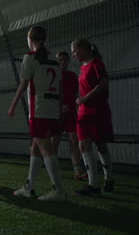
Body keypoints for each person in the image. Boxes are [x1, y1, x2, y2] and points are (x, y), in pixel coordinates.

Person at [8, 26, 66, 201]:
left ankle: (59, 191)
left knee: (45, 148)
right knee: (35, 147)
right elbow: (61, 88)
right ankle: (29, 187)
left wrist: (13, 105)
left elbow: (23, 84)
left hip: (39, 109)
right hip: (53, 109)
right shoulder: (54, 60)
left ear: (30, 40)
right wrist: (60, 108)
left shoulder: (30, 58)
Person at [71, 38, 114, 195]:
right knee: (83, 145)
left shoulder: (97, 64)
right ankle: (93, 185)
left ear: (83, 49)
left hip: (98, 112)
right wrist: (80, 103)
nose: (73, 55)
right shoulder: (82, 69)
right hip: (83, 113)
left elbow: (104, 83)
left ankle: (108, 179)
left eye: (74, 51)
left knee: (101, 146)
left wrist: (86, 98)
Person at [50, 51, 87, 180]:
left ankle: (77, 170)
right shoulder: (53, 76)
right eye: (60, 60)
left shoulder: (72, 75)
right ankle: (52, 169)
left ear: (68, 61)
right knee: (55, 141)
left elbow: (76, 94)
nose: (63, 62)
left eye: (65, 60)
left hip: (71, 113)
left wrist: (79, 106)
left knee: (73, 140)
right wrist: (58, 107)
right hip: (57, 113)